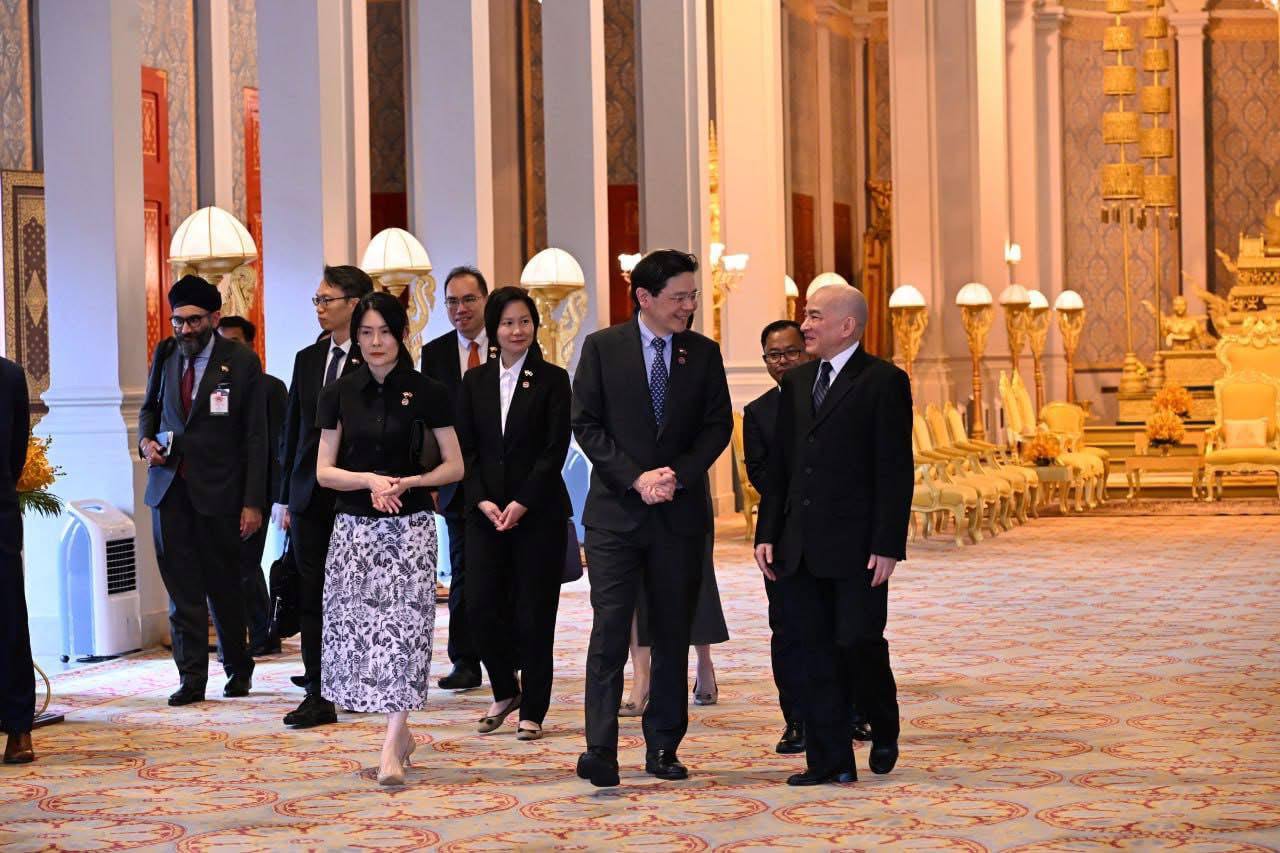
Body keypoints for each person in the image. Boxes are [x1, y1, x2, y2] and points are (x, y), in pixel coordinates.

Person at [572, 249, 732, 787]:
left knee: (670, 632)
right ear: (644, 297)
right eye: (679, 297)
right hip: (616, 515)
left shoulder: (702, 353)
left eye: (692, 295)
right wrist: (636, 478)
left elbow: (717, 427)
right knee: (610, 631)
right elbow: (586, 424)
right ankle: (600, 749)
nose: (689, 306)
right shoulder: (602, 348)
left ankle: (664, 745)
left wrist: (676, 476)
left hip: (678, 515)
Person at [754, 284, 913, 786]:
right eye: (806, 315)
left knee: (857, 641)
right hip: (799, 543)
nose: (805, 325)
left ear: (847, 326)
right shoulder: (798, 381)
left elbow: (895, 469)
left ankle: (882, 721)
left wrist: (887, 544)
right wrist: (766, 531)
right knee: (812, 649)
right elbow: (781, 466)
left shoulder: (884, 381)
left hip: (858, 546)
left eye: (815, 316)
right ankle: (830, 760)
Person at [316, 291, 463, 785]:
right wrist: (369, 481)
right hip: (355, 530)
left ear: (401, 334)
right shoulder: (339, 392)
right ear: (356, 338)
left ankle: (391, 744)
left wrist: (410, 483)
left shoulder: (428, 390)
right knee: (361, 634)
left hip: (411, 529)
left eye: (384, 332)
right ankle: (399, 737)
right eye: (366, 333)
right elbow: (324, 470)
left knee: (404, 631)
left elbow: (454, 465)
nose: (376, 342)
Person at [138, 275, 268, 706]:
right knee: (182, 591)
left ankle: (238, 666)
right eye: (178, 321)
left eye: (194, 320)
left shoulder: (241, 361)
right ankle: (191, 678)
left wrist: (253, 502)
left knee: (224, 586)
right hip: (169, 489)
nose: (185, 329)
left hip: (221, 492)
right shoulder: (166, 352)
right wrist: (145, 442)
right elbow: (149, 409)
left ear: (214, 317)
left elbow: (255, 437)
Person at [454, 287, 571, 741]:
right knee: (479, 606)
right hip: (485, 514)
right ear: (494, 329)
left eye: (524, 322)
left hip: (536, 513)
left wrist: (522, 501)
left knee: (534, 612)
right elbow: (466, 448)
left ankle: (533, 708)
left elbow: (553, 449)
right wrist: (482, 499)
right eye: (507, 323)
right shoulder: (475, 381)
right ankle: (505, 689)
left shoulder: (552, 379)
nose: (517, 330)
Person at [277, 265, 373, 728]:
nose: (319, 308)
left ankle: (361, 679)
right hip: (309, 495)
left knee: (358, 593)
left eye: (326, 300)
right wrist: (284, 497)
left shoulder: (377, 355)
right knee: (312, 593)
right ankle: (317, 690)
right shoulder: (308, 358)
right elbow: (293, 430)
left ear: (354, 304)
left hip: (358, 494)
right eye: (316, 300)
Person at [742, 319, 811, 754]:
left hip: (831, 532)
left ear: (807, 351)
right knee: (787, 630)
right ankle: (796, 720)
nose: (783, 361)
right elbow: (761, 475)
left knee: (838, 628)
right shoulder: (759, 411)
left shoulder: (829, 399)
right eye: (774, 355)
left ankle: (851, 711)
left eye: (791, 352)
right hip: (782, 533)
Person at [419, 266, 490, 691]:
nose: (460, 309)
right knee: (463, 569)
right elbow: (428, 423)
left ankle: (510, 655)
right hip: (456, 479)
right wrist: (430, 479)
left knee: (503, 571)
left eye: (468, 299)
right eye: (451, 301)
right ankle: (465, 659)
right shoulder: (436, 353)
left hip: (502, 479)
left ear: (485, 300)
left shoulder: (509, 342)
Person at [217, 316, 287, 656]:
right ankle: (253, 632)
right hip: (221, 490)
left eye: (234, 342)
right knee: (232, 565)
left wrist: (277, 497)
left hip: (258, 491)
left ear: (250, 345)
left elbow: (277, 445)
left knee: (245, 564)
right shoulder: (216, 388)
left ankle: (263, 632)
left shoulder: (270, 387)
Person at [1, 356, 34, 764]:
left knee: (8, 620)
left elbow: (15, 455)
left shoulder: (9, 377)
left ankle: (18, 727)